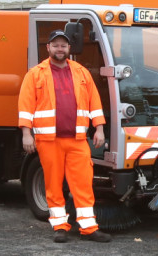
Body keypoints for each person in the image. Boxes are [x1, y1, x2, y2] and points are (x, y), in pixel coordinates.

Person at [18, 29, 112, 243]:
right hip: (48, 141)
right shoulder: (35, 74)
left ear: (69, 48)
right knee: (53, 184)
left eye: (63, 45)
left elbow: (94, 102)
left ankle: (89, 227)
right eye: (55, 45)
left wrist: (99, 128)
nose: (59, 49)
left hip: (78, 140)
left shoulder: (81, 72)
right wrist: (26, 134)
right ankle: (60, 226)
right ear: (48, 48)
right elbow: (25, 105)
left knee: (83, 183)